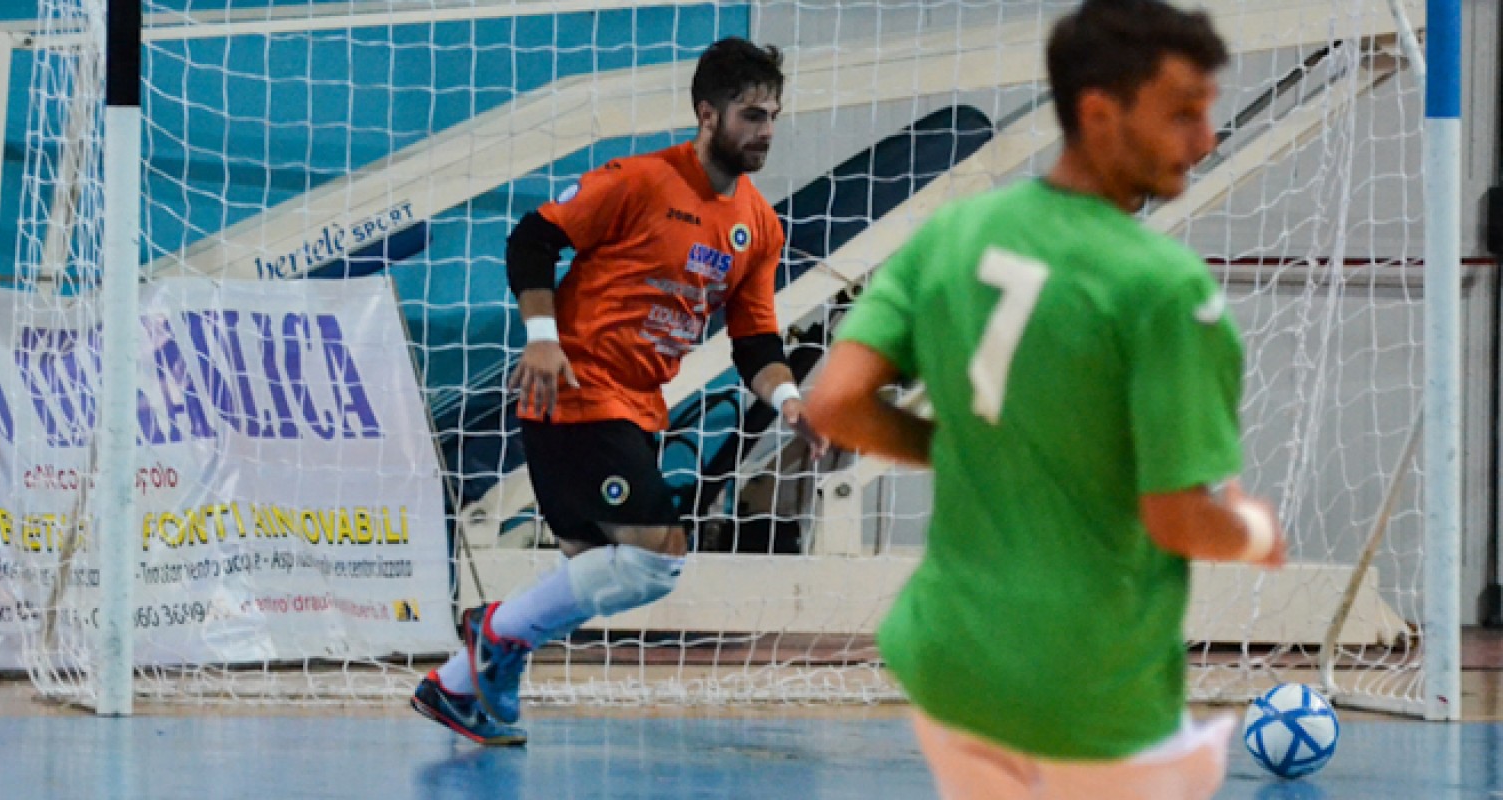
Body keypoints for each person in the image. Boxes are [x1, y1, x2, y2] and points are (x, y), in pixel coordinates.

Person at [805, 1, 1287, 797]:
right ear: (1099, 115)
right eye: (1183, 114)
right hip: (1090, 692)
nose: (1206, 139)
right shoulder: (1165, 290)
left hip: (951, 665)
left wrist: (961, 446)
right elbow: (1176, 517)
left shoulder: (951, 233)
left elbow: (834, 404)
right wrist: (1252, 530)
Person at [411, 36, 825, 746]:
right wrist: (543, 337)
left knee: (588, 573)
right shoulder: (639, 181)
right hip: (574, 389)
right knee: (656, 557)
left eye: (773, 116)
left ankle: (457, 684)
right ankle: (496, 632)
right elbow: (532, 239)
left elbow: (754, 340)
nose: (765, 132)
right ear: (707, 113)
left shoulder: (759, 225)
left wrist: (791, 403)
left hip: (637, 407)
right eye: (752, 115)